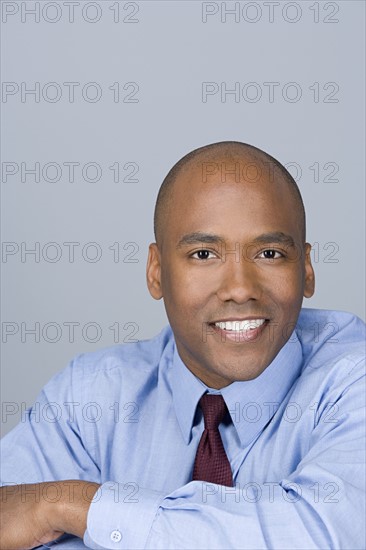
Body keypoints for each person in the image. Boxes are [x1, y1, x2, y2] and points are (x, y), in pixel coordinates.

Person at [0, 141, 365, 550]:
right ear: (156, 272)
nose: (241, 289)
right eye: (204, 254)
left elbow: (321, 534)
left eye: (269, 253)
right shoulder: (88, 397)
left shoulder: (353, 382)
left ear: (307, 269)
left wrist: (72, 506)